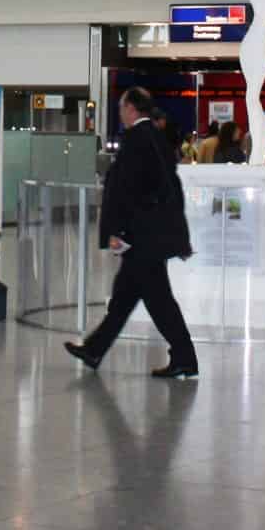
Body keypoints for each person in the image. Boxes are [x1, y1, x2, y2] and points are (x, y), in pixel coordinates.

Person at [65, 86, 199, 379]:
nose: (120, 114)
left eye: (122, 108)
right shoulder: (153, 138)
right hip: (150, 236)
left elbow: (126, 191)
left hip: (144, 238)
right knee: (125, 297)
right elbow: (164, 188)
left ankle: (185, 357)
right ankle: (94, 349)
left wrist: (117, 230)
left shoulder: (139, 139)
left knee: (159, 302)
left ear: (131, 109)